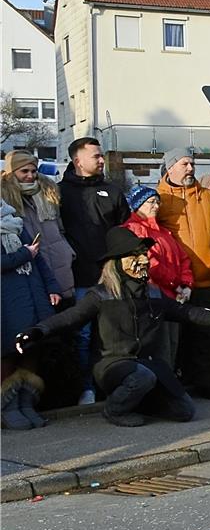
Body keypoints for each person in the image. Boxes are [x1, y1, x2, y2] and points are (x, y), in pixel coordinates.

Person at [15, 227, 210, 426]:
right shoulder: (101, 295)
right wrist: (37, 331)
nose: (143, 260)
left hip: (148, 365)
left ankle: (139, 401)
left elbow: (187, 312)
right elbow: (70, 318)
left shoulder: (154, 294)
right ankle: (115, 410)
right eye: (134, 255)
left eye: (143, 254)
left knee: (184, 411)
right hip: (112, 365)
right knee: (142, 378)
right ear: (118, 262)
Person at [155, 147, 210, 400]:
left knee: (206, 334)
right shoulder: (159, 198)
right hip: (173, 283)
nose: (190, 168)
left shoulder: (209, 197)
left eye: (192, 163)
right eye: (184, 164)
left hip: (207, 277)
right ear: (170, 167)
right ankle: (178, 382)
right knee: (177, 336)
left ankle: (206, 383)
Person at [58, 137, 130, 405]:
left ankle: (112, 386)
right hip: (79, 278)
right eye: (96, 156)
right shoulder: (60, 193)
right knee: (83, 336)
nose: (102, 160)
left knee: (113, 335)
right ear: (78, 161)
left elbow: (125, 231)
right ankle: (85, 389)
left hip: (111, 278)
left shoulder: (112, 191)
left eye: (101, 156)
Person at [1, 199, 60, 430]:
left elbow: (39, 259)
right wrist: (24, 255)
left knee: (32, 348)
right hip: (5, 300)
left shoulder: (13, 220)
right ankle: (7, 406)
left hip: (31, 293)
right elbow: (27, 255)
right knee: (7, 351)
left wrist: (52, 286)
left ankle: (27, 402)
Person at [122, 185, 194, 367]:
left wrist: (186, 285)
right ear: (138, 205)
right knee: (160, 347)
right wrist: (176, 285)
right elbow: (149, 263)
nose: (156, 206)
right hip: (153, 296)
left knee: (172, 344)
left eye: (157, 202)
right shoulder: (134, 229)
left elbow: (183, 258)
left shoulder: (163, 232)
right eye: (150, 202)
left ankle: (171, 385)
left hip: (174, 295)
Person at [2, 151, 75, 303]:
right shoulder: (5, 200)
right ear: (11, 172)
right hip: (30, 265)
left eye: (34, 171)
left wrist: (67, 251)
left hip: (60, 262)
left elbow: (60, 229)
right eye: (24, 171)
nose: (30, 175)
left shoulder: (48, 193)